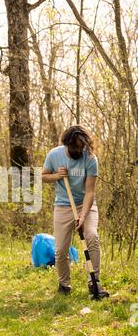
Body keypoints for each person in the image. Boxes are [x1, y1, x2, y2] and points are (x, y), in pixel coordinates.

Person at [42, 125, 109, 298]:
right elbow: (43, 176)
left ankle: (94, 283)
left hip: (86, 204)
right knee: (61, 249)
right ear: (66, 144)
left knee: (92, 236)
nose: (77, 151)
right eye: (74, 147)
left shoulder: (90, 158)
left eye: (80, 147)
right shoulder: (54, 155)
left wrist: (83, 215)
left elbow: (90, 191)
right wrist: (57, 176)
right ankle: (64, 285)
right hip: (63, 205)